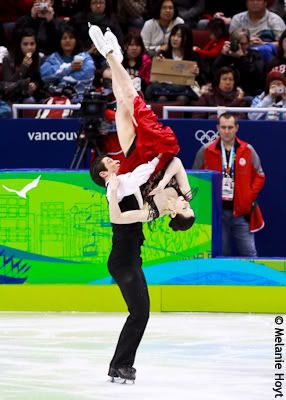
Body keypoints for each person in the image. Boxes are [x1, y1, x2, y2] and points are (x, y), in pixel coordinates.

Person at [88, 25, 194, 383]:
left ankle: (111, 55)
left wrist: (161, 191)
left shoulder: (121, 178)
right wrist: (153, 204)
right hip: (151, 158)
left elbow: (136, 198)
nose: (111, 160)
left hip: (146, 164)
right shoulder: (116, 185)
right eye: (108, 162)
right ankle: (119, 366)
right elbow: (119, 214)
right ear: (104, 174)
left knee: (124, 103)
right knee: (128, 100)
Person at [192, 112, 265, 257]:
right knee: (221, 253)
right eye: (223, 127)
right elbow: (196, 178)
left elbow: (260, 175)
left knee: (249, 253)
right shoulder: (206, 151)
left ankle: (251, 280)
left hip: (241, 212)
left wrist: (249, 197)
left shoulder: (247, 150)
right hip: (216, 212)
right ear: (217, 128)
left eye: (230, 127)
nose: (226, 131)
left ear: (236, 128)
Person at [40, 24, 95, 102]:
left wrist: (59, 79)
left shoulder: (85, 57)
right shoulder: (52, 58)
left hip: (81, 101)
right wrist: (70, 68)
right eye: (64, 38)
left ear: (76, 40)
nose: (67, 40)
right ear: (59, 41)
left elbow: (87, 77)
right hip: (57, 101)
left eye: (71, 38)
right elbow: (45, 76)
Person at [212, 28, 265, 97]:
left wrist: (242, 58)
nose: (239, 47)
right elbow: (214, 73)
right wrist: (223, 55)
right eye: (237, 43)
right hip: (226, 92)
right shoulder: (226, 55)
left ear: (248, 43)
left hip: (249, 93)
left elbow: (257, 77)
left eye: (243, 44)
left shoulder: (255, 55)